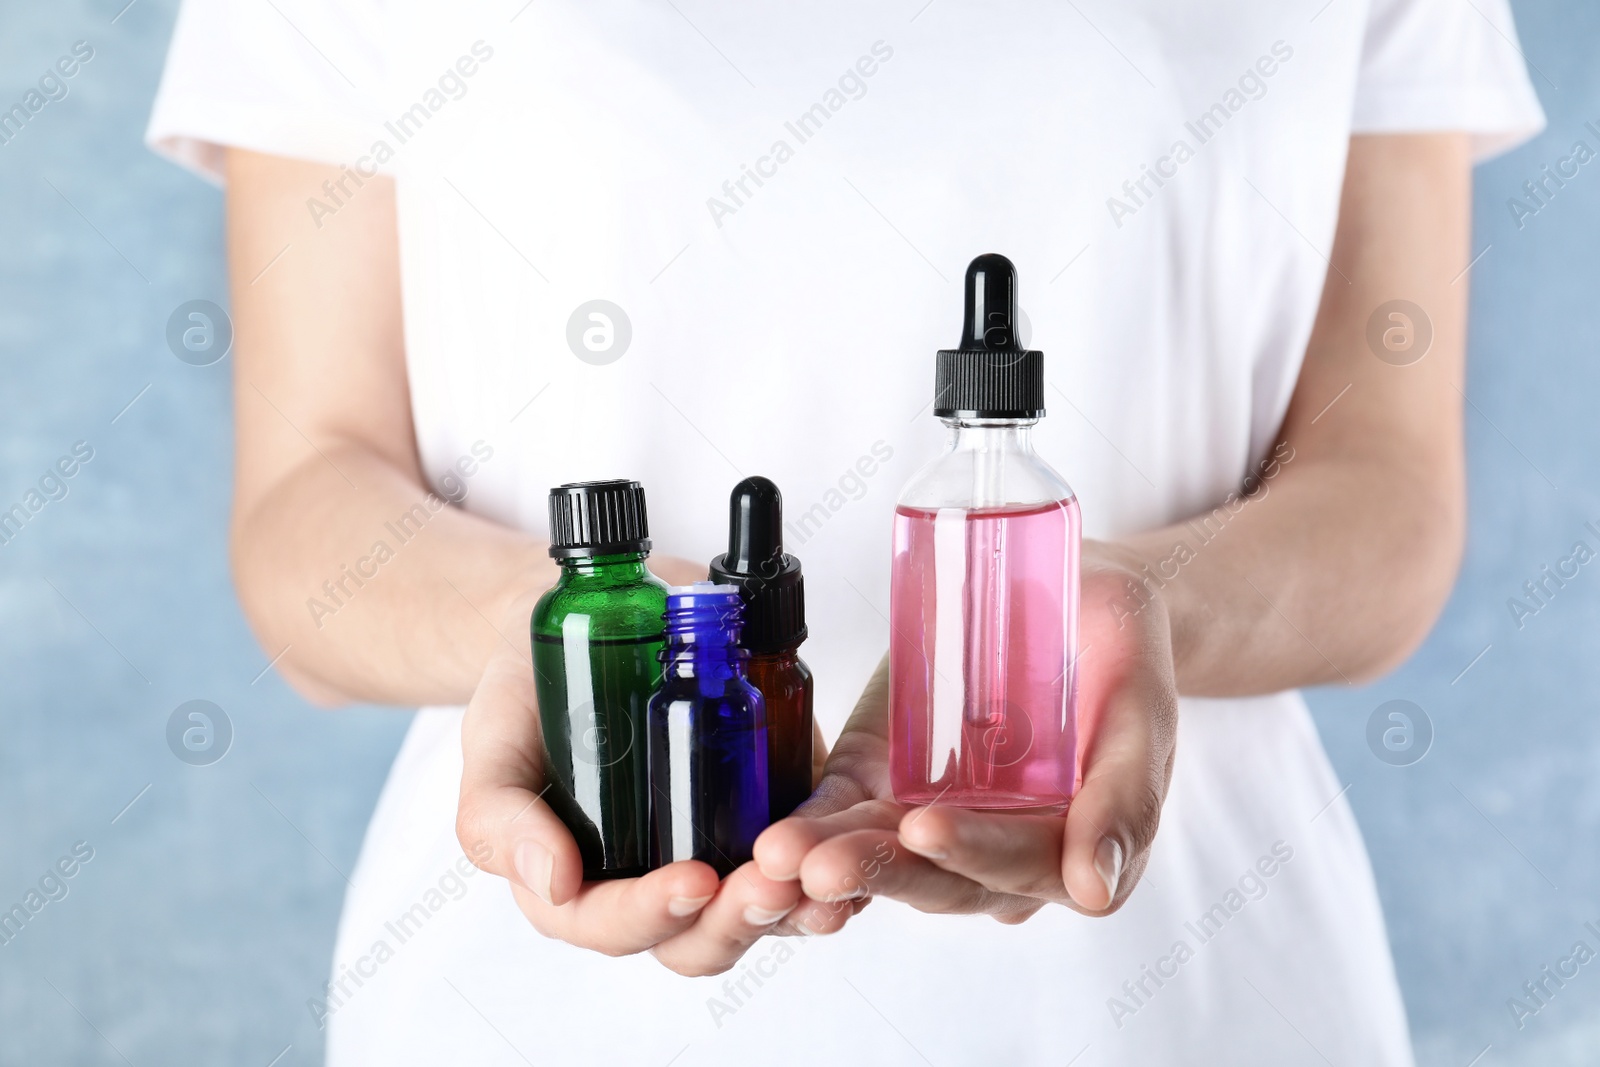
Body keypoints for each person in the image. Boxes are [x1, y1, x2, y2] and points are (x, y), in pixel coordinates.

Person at [147, 1, 1543, 1063]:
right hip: (547, 978)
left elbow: (1388, 502)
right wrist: (569, 617)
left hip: (1181, 984)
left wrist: (1124, 603)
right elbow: (306, 506)